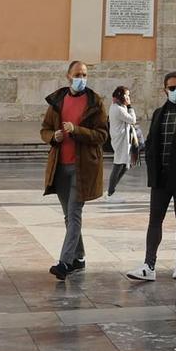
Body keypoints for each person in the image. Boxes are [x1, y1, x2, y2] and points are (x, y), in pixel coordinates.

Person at [39, 60, 108, 279]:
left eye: (85, 75)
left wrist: (76, 130)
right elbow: (45, 129)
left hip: (83, 167)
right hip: (60, 166)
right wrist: (54, 136)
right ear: (68, 76)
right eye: (78, 74)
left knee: (74, 213)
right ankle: (79, 258)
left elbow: (102, 135)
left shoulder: (95, 102)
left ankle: (64, 263)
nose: (82, 78)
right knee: (68, 217)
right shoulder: (57, 101)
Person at [130, 73, 176, 282]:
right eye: (172, 88)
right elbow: (152, 141)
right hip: (161, 178)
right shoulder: (158, 113)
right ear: (165, 90)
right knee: (155, 221)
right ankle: (149, 265)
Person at [108, 84, 138, 195]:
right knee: (118, 165)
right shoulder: (118, 108)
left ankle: (112, 189)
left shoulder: (118, 106)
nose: (128, 98)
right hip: (121, 140)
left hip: (124, 139)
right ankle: (111, 191)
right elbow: (132, 120)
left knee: (126, 165)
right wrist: (130, 106)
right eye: (127, 95)